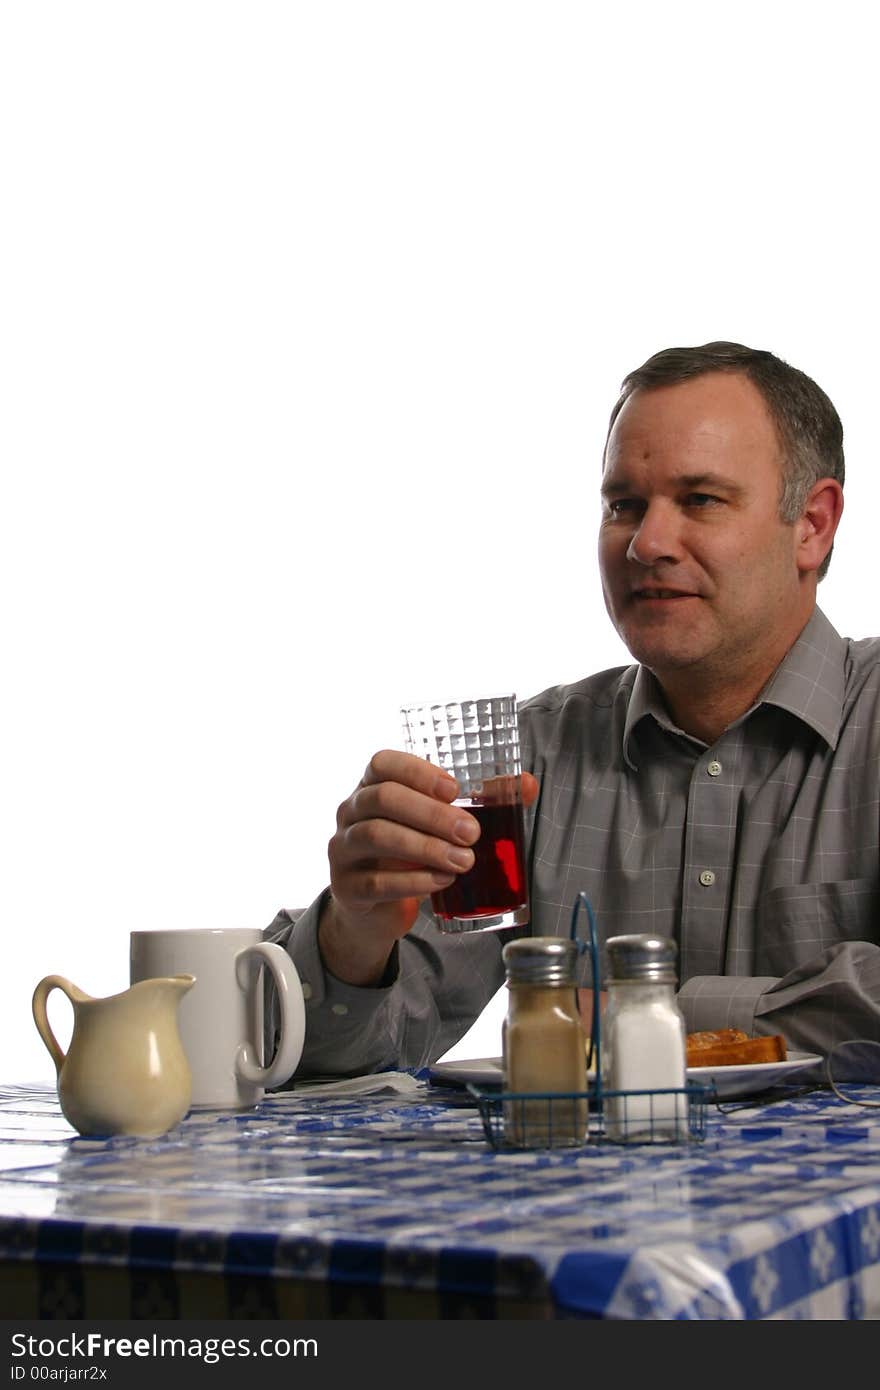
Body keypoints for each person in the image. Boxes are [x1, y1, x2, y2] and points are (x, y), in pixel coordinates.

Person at [268, 340, 880, 1079]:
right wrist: (355, 939)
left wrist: (653, 1010)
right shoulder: (529, 759)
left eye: (700, 500)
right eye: (624, 505)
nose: (647, 543)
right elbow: (343, 1059)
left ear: (813, 524)